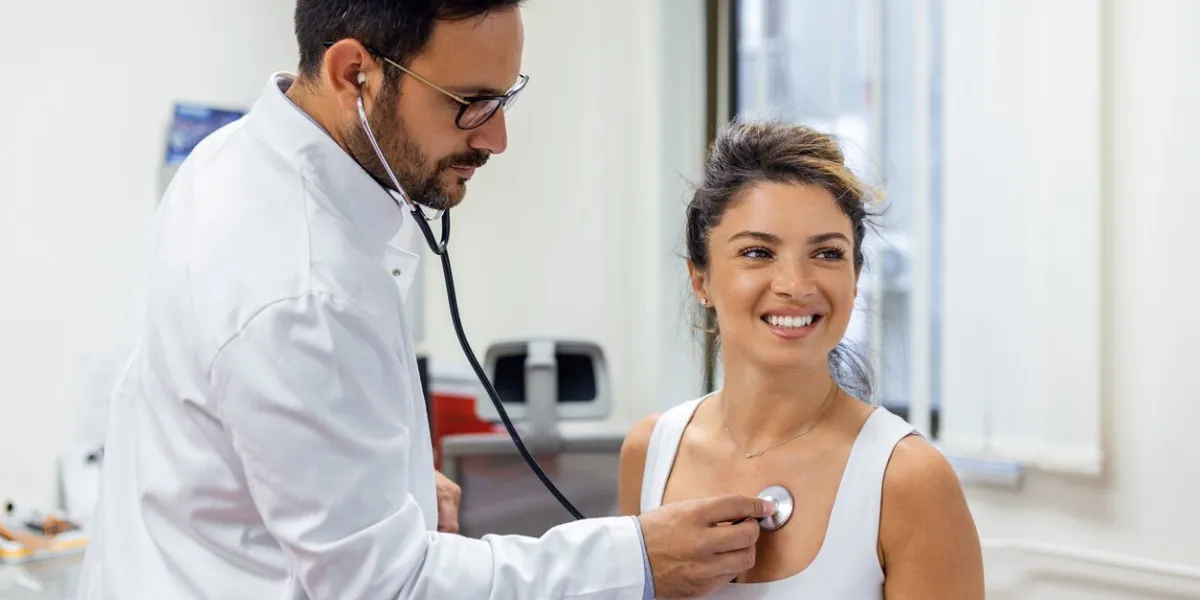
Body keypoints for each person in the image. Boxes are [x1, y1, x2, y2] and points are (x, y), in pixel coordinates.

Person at [76, 2, 776, 599]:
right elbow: (391, 585)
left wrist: (380, 476)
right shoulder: (303, 285)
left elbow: (236, 427)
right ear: (355, 74)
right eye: (469, 102)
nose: (497, 138)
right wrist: (638, 561)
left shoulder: (232, 159)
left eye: (505, 98)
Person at [618, 120, 986, 599]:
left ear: (855, 278)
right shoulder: (650, 452)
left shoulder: (907, 478)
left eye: (828, 254)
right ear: (700, 279)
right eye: (757, 252)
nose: (796, 284)